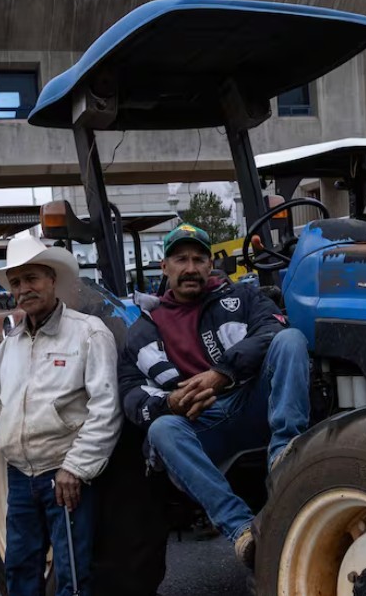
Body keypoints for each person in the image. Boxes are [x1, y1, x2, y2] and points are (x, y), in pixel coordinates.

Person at [0, 231, 121, 596]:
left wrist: (75, 468)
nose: (23, 289)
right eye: (16, 282)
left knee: (71, 582)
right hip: (21, 475)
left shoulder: (88, 334)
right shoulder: (10, 344)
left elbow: (105, 410)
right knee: (19, 572)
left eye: (32, 278)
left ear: (53, 279)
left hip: (66, 477)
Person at [117, 223, 309, 566]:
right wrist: (170, 403)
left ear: (210, 264)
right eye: (181, 259)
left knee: (290, 340)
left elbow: (272, 328)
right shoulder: (143, 329)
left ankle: (284, 458)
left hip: (250, 401)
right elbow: (131, 396)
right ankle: (242, 530)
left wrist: (222, 373)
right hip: (202, 422)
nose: (190, 268)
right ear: (165, 267)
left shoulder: (243, 298)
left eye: (198, 259)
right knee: (162, 429)